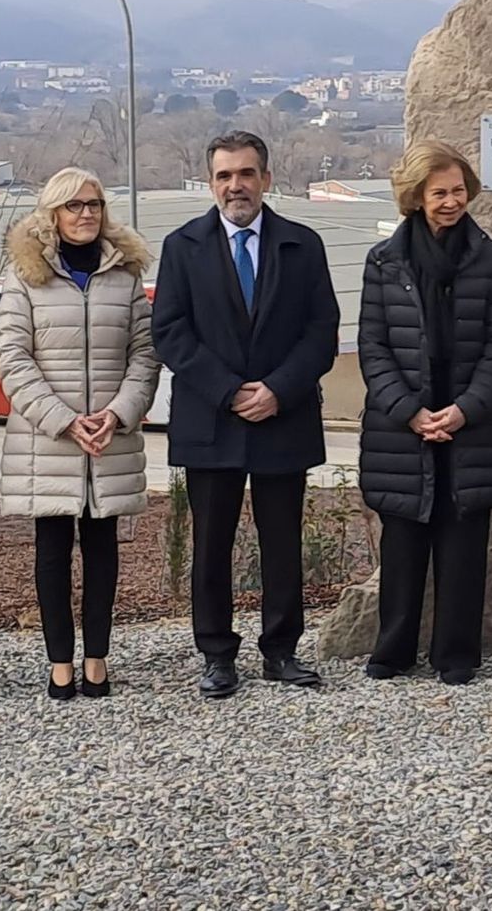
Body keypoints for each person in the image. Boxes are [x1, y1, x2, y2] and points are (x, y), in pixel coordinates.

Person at [152, 131, 341, 698]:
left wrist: (278, 390)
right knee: (211, 542)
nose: (236, 185)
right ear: (211, 183)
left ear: (266, 178)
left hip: (283, 415)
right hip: (213, 418)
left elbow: (322, 331)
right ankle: (216, 654)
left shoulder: (303, 245)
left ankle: (281, 650)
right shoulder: (181, 246)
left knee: (281, 539)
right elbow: (170, 332)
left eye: (247, 173)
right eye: (225, 176)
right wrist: (231, 390)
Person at [0, 168, 160, 700]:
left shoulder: (125, 275)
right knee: (52, 552)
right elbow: (14, 358)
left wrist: (117, 413)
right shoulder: (26, 276)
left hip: (110, 437)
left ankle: (98, 659)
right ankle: (59, 662)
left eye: (93, 204)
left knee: (103, 550)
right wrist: (64, 419)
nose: (86, 214)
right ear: (52, 214)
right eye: (73, 206)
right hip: (50, 439)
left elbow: (145, 353)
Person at [357, 141, 492, 685]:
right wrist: (410, 412)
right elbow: (372, 347)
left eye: (458, 191)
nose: (451, 202)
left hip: (471, 426)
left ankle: (456, 652)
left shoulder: (490, 259)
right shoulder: (384, 261)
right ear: (416, 197)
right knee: (402, 544)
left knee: (463, 543)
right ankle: (392, 650)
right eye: (439, 192)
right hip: (402, 427)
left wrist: (464, 410)